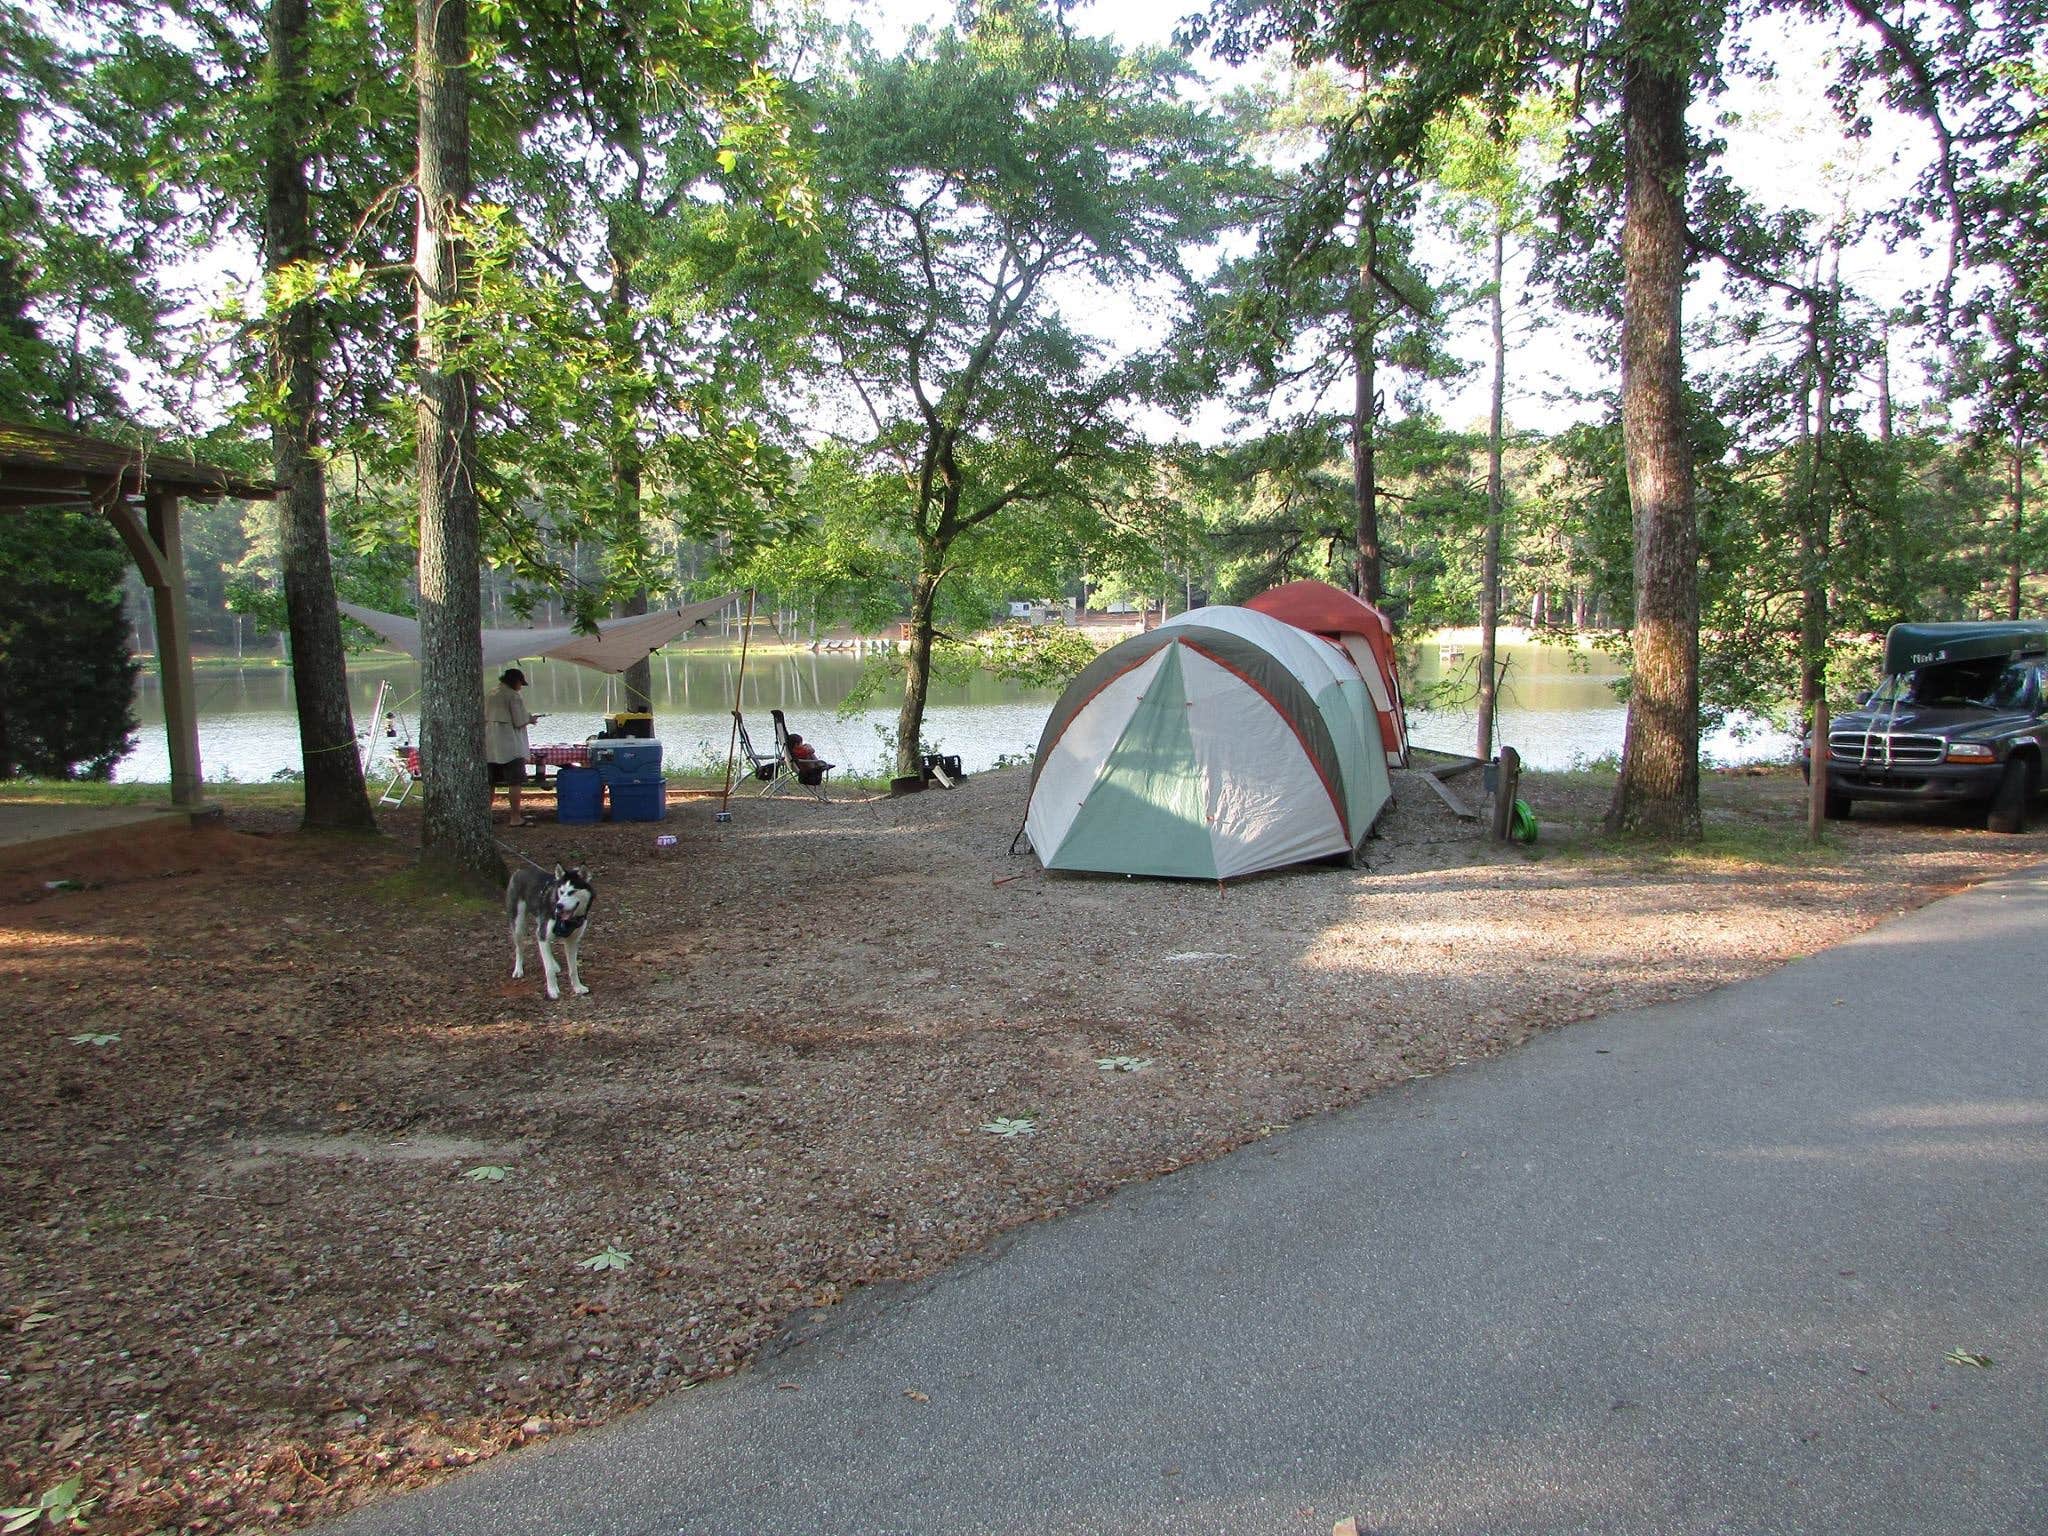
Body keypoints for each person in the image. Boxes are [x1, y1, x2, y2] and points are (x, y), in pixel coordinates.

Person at [485, 668, 544, 824]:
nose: (520, 687)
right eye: (520, 683)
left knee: (489, 783)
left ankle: (484, 816)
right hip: (510, 746)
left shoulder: (491, 693)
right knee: (515, 782)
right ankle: (515, 817)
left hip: (490, 745)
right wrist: (530, 718)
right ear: (515, 681)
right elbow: (518, 721)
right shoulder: (513, 696)